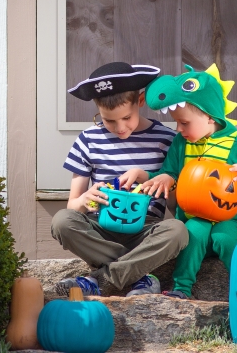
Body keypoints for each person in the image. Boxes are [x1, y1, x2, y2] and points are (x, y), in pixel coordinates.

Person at [123, 63, 237, 299]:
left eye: (184, 123)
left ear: (210, 116)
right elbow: (170, 175)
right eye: (176, 123)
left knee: (225, 237)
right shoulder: (181, 143)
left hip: (232, 222)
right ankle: (182, 289)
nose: (178, 129)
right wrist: (150, 176)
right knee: (193, 230)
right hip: (194, 219)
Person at [51, 62, 189, 298]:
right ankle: (139, 273)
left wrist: (167, 183)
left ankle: (99, 280)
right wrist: (86, 199)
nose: (120, 127)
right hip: (101, 228)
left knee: (178, 231)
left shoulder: (167, 140)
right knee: (62, 222)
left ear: (141, 101)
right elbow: (72, 206)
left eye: (126, 117)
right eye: (109, 120)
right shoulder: (88, 140)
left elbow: (177, 209)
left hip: (146, 230)